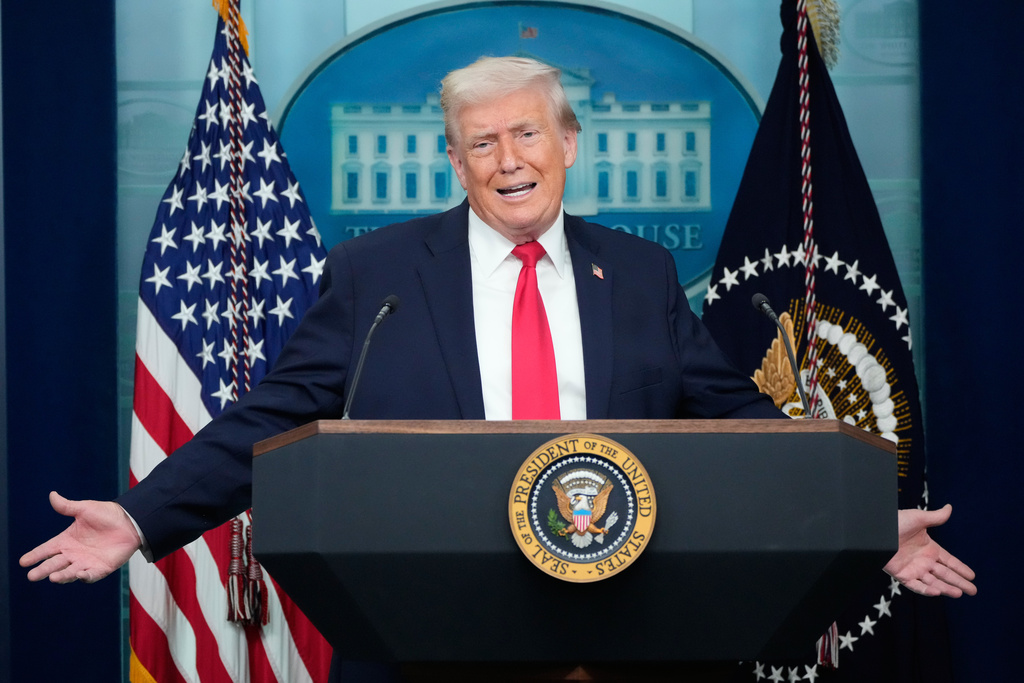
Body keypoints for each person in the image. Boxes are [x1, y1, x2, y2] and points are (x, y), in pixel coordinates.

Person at [21, 56, 975, 606]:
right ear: (454, 159)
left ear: (568, 144)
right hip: (425, 622)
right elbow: (273, 415)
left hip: (623, 622)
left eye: (527, 135)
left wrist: (862, 526)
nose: (508, 160)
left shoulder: (639, 275)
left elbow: (739, 425)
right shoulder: (377, 276)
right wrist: (145, 515)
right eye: (482, 142)